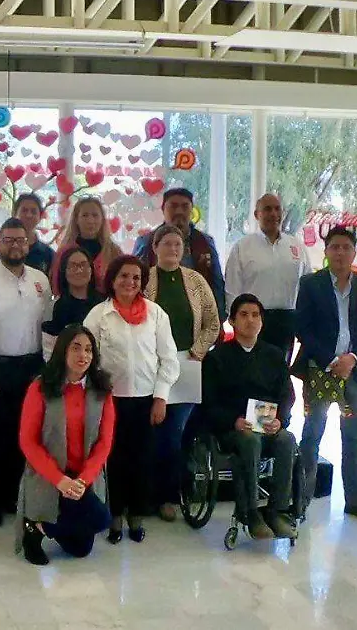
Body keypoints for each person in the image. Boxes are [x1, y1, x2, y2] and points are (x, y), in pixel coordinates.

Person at [83, 255, 179, 543]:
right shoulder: (99, 315)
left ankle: (136, 518)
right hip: (110, 402)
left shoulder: (156, 314)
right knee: (114, 462)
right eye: (124, 276)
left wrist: (161, 398)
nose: (130, 282)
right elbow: (87, 359)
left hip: (146, 401)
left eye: (136, 277)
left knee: (142, 461)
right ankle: (114, 519)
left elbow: (169, 360)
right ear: (112, 280)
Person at [292, 227, 357, 524]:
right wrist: (332, 360)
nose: (340, 253)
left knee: (353, 437)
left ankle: (354, 500)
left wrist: (352, 359)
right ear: (326, 251)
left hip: (355, 374)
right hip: (320, 370)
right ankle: (302, 500)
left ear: (354, 252)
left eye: (346, 247)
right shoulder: (311, 284)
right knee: (312, 433)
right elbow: (302, 328)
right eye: (334, 247)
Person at [0, 218, 53, 527]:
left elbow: (47, 328)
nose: (15, 245)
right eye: (8, 240)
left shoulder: (40, 280)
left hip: (33, 367)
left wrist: (48, 371)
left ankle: (20, 499)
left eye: (20, 240)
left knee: (29, 437)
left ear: (29, 243)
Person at [202, 295, 299, 540]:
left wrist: (280, 420)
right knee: (249, 440)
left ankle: (277, 511)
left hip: (267, 424)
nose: (250, 320)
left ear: (262, 322)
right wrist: (232, 420)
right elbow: (208, 403)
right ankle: (251, 512)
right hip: (233, 427)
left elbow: (287, 395)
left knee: (286, 439)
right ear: (232, 321)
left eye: (255, 315)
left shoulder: (274, 355)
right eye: (243, 315)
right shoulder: (217, 358)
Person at [16, 325, 115, 565]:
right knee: (84, 525)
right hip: (50, 473)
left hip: (82, 477)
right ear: (62, 351)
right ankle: (33, 532)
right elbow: (28, 441)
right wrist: (59, 479)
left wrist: (83, 480)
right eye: (76, 348)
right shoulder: (40, 387)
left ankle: (40, 527)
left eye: (89, 350)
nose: (84, 356)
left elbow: (104, 442)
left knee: (86, 542)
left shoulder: (101, 390)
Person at [143, 224, 220, 522]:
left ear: (184, 249)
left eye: (178, 245)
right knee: (151, 431)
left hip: (187, 364)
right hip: (150, 366)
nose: (172, 250)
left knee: (175, 434)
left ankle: (168, 496)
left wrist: (197, 351)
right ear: (155, 247)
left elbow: (213, 323)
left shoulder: (196, 281)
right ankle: (145, 494)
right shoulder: (144, 279)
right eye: (167, 244)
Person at [224, 193, 311, 358]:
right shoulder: (243, 247)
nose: (273, 214)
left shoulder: (296, 246)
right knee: (251, 371)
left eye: (277, 209)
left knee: (281, 373)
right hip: (252, 319)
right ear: (257, 215)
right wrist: (237, 321)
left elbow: (307, 285)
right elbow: (231, 288)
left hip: (287, 321)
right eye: (267, 209)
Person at [134, 188, 225, 321]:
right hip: (155, 317)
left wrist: (218, 318)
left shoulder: (205, 242)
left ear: (192, 210)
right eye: (173, 206)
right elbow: (135, 279)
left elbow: (216, 282)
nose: (179, 212)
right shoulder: (146, 241)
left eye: (185, 206)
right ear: (163, 209)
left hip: (196, 319)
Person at [51, 197, 122, 297]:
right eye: (85, 215)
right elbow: (56, 287)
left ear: (102, 219)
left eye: (95, 215)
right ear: (76, 219)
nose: (90, 220)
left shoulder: (114, 252)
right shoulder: (64, 252)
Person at [42, 247, 103, 358]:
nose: (79, 270)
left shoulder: (104, 304)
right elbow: (49, 351)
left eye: (83, 265)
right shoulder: (55, 306)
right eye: (73, 266)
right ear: (64, 271)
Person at [0, 193, 55, 274]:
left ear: (40, 217)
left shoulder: (48, 254)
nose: (29, 215)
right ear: (14, 213)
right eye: (24, 210)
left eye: (33, 211)